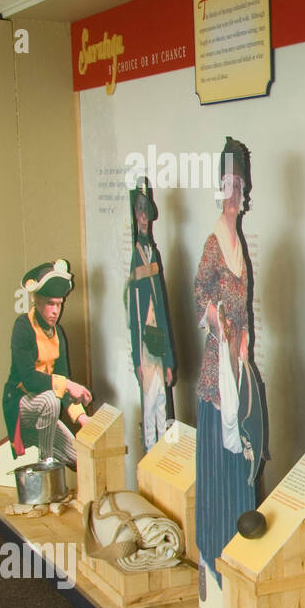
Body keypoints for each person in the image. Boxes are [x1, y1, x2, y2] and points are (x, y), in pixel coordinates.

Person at [194, 136, 263, 608]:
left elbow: (249, 306)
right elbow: (201, 294)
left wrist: (245, 342)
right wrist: (218, 323)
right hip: (217, 374)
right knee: (220, 465)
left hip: (239, 362)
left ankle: (242, 559)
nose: (233, 195)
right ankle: (215, 558)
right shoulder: (214, 242)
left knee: (244, 457)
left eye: (239, 186)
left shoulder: (242, 244)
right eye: (227, 186)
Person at [2, 260, 91, 465]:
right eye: (50, 303)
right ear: (38, 301)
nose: (55, 310)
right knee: (51, 399)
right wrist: (68, 385)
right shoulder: (23, 327)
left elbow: (63, 380)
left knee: (80, 460)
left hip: (45, 414)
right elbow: (31, 380)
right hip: (22, 405)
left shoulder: (58, 333)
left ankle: (48, 453)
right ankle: (46, 464)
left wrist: (80, 418)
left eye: (59, 304)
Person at [126, 177, 176, 449]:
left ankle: (163, 456)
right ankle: (150, 456)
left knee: (160, 404)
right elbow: (134, 316)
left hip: (157, 339)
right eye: (139, 212)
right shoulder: (135, 255)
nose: (143, 218)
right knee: (148, 409)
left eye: (146, 212)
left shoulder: (152, 252)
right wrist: (137, 358)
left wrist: (168, 359)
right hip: (144, 344)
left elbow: (162, 310)